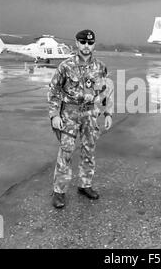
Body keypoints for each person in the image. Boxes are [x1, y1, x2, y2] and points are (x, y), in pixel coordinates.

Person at [48, 29, 113, 208]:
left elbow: (105, 91)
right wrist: (54, 115)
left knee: (88, 150)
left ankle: (85, 185)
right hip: (69, 114)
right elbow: (53, 91)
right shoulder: (66, 66)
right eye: (83, 42)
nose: (86, 46)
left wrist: (108, 113)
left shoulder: (100, 67)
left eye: (90, 43)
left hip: (90, 114)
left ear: (94, 45)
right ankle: (59, 191)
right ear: (76, 43)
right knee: (66, 152)